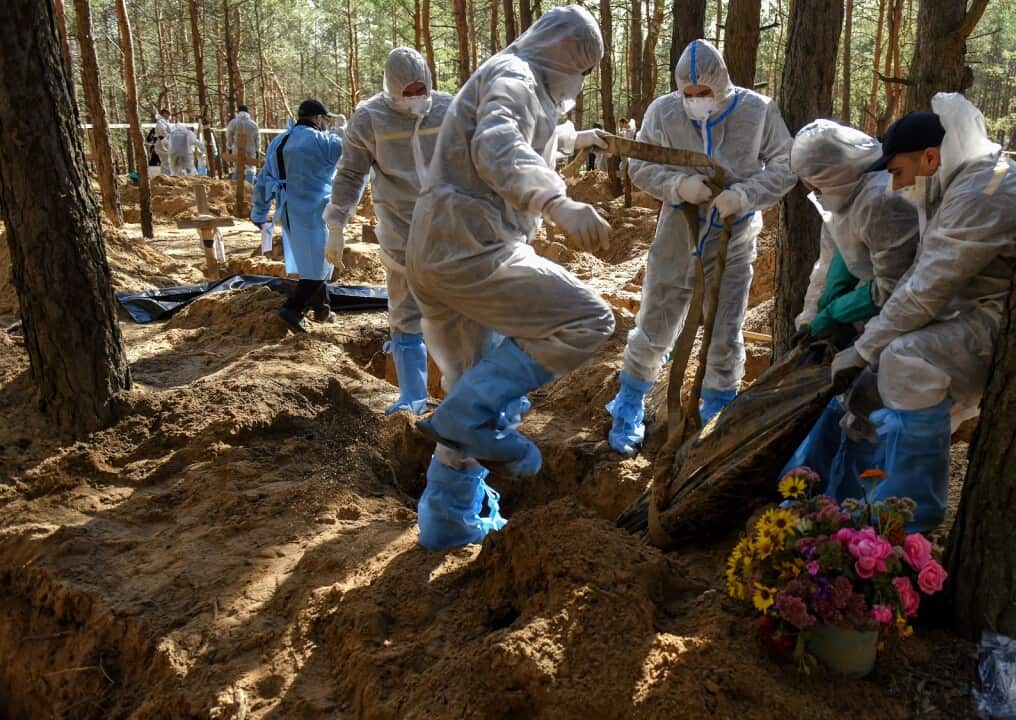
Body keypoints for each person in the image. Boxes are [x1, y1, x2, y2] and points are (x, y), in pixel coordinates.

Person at [406, 5, 615, 550]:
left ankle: (446, 521)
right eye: (582, 68)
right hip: (474, 250)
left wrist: (576, 137)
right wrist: (558, 203)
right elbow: (499, 145)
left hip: (434, 254)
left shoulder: (518, 78)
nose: (579, 81)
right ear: (566, 54)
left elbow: (532, 130)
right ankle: (467, 420)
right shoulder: (516, 77)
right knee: (589, 321)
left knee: (472, 384)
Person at [822, 93, 1016, 533]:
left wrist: (864, 350)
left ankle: (909, 518)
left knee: (904, 360)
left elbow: (926, 291)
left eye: (899, 172)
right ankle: (864, 494)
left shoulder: (984, 191)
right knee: (879, 375)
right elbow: (919, 279)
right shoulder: (962, 185)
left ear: (929, 156)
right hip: (982, 317)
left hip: (1008, 329)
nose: (897, 186)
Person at [605, 38, 796, 457]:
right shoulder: (663, 112)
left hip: (735, 237)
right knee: (656, 319)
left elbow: (786, 163)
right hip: (677, 235)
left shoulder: (757, 111)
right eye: (688, 94)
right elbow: (639, 163)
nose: (695, 101)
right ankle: (629, 403)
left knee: (724, 330)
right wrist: (676, 187)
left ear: (722, 84)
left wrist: (745, 196)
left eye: (703, 93)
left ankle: (716, 415)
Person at [324, 47, 452, 416]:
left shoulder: (448, 109)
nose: (415, 98)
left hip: (450, 230)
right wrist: (337, 222)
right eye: (407, 92)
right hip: (401, 232)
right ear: (390, 89)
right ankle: (412, 395)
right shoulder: (369, 119)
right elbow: (350, 173)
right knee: (406, 311)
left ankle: (478, 394)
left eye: (421, 89)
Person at [791, 119, 919, 349]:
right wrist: (810, 315)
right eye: (811, 188)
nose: (817, 194)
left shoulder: (880, 201)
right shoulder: (842, 196)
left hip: (917, 317)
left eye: (819, 187)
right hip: (879, 303)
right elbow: (829, 261)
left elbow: (893, 287)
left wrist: (835, 313)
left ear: (842, 170)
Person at [251, 99, 346, 332]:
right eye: (325, 119)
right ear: (317, 118)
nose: (325, 124)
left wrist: (260, 212)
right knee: (318, 264)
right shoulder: (322, 141)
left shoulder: (278, 142)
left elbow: (263, 180)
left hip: (287, 210)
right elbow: (353, 156)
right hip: (315, 211)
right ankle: (292, 310)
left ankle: (322, 309)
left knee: (312, 260)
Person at [226, 104, 260, 181]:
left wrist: (229, 147)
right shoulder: (253, 124)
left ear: (238, 112)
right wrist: (257, 150)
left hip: (237, 149)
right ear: (247, 112)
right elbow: (257, 139)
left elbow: (229, 136)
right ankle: (249, 189)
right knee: (250, 169)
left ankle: (235, 189)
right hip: (250, 150)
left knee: (236, 168)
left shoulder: (233, 122)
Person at [154, 109, 174, 175]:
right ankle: (166, 176)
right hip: (162, 141)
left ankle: (166, 175)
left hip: (164, 141)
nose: (169, 116)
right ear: (164, 113)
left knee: (167, 160)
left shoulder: (165, 121)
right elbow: (162, 131)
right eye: (168, 114)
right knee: (166, 160)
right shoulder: (161, 121)